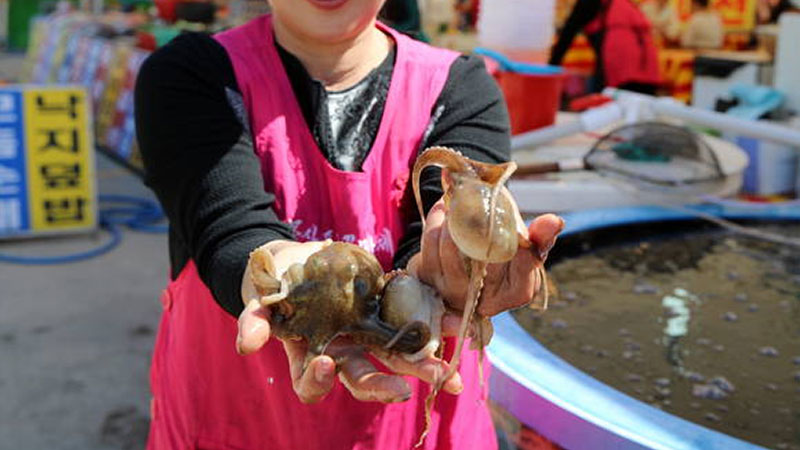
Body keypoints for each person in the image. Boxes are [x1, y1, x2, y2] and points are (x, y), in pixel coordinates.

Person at [134, 0, 563, 449]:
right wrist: (272, 265)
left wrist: (457, 272)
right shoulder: (189, 75)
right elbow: (228, 226)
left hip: (417, 421)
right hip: (235, 421)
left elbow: (445, 215)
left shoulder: (461, 88)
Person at [548, 0, 661, 95]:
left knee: (609, 107)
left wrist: (550, 67)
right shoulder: (625, 3)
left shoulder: (590, 2)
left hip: (620, 65)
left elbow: (568, 32)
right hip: (648, 63)